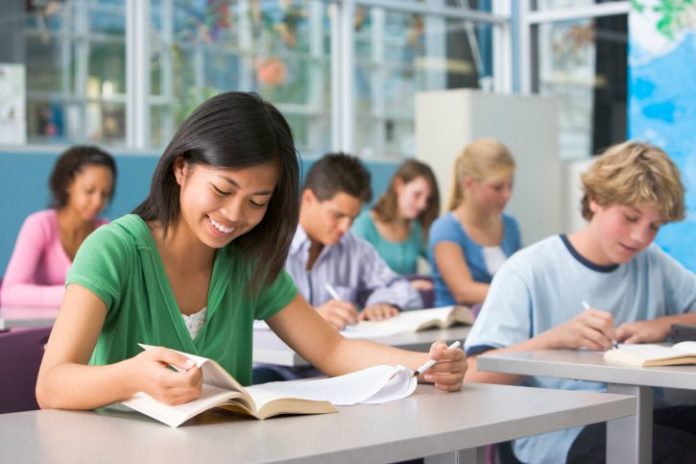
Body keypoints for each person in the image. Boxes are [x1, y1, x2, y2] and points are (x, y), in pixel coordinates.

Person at [35, 92, 466, 412]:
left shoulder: (247, 260)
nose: (234, 215)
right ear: (181, 167)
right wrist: (132, 375)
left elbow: (332, 350)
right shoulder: (113, 250)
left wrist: (425, 365)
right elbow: (51, 384)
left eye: (257, 202)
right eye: (222, 190)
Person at [463, 141, 696, 464]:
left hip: (640, 411)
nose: (641, 237)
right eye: (630, 217)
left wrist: (659, 326)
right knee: (677, 453)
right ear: (596, 199)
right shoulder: (527, 270)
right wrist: (552, 339)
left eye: (654, 226)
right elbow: (472, 375)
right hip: (554, 428)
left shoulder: (653, 263)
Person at [285, 153, 423, 332]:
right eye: (338, 215)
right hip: (273, 359)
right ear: (308, 198)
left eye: (352, 218)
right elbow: (246, 320)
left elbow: (403, 290)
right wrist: (308, 318)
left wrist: (382, 302)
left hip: (334, 358)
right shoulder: (267, 246)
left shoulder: (354, 249)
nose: (345, 227)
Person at [0, 145, 116, 308]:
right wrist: (77, 293)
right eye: (89, 191)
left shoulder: (106, 233)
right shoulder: (40, 226)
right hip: (39, 330)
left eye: (105, 194)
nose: (98, 202)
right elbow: (9, 292)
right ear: (68, 184)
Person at [429, 139, 521, 307]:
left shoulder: (510, 226)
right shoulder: (446, 229)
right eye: (497, 187)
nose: (507, 194)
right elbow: (464, 292)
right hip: (457, 330)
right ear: (469, 183)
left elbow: (523, 278)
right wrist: (519, 291)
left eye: (510, 185)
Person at [351, 159, 439, 284]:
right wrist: (407, 286)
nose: (422, 205)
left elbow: (441, 262)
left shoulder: (416, 230)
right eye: (417, 194)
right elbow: (358, 278)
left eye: (427, 199)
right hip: (373, 302)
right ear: (398, 185)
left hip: (411, 302)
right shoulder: (364, 225)